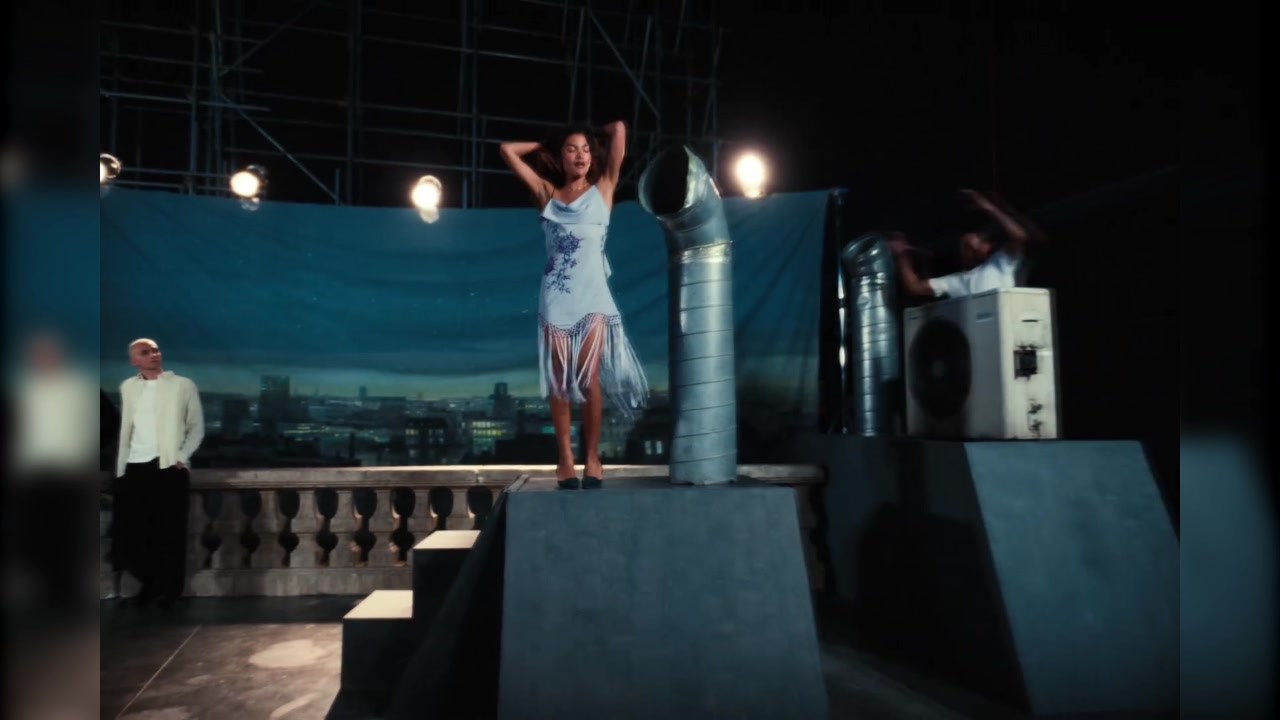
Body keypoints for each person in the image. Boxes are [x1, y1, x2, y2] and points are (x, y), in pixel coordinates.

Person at [500, 121, 648, 490]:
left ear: (592, 156)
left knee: (587, 377)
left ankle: (592, 457)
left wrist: (593, 131)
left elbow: (619, 130)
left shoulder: (604, 188)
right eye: (571, 149)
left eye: (585, 149)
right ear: (561, 158)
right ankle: (565, 458)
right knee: (560, 380)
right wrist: (546, 144)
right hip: (556, 295)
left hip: (593, 295)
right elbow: (507, 150)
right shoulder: (547, 194)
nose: (580, 155)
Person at [114, 338, 204, 607]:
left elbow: (196, 427)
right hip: (134, 466)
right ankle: (149, 585)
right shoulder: (127, 387)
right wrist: (121, 466)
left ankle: (169, 591)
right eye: (145, 352)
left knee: (171, 532)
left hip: (168, 467)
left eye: (155, 350)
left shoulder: (183, 385)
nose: (153, 354)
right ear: (134, 361)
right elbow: (128, 427)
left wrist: (181, 457)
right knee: (135, 532)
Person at [890, 189, 1037, 298]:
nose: (973, 244)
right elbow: (915, 287)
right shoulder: (954, 281)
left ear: (987, 248)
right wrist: (901, 256)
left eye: (980, 241)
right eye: (966, 245)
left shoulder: (999, 262)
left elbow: (1019, 236)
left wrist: (989, 208)